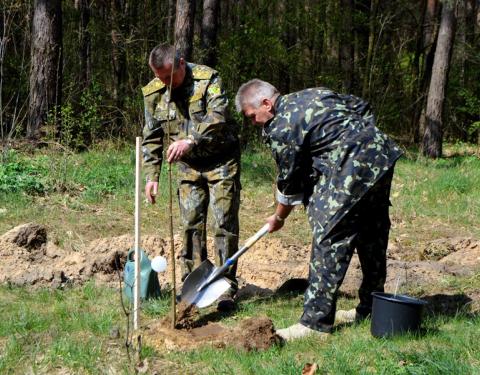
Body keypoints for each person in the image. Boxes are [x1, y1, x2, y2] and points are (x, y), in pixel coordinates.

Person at [235, 79, 403, 341]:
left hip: (350, 167)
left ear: (266, 103)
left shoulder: (281, 125)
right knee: (372, 230)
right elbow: (362, 106)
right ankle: (371, 308)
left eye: (252, 116)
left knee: (329, 237)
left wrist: (279, 216)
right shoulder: (315, 93)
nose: (254, 123)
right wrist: (361, 140)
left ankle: (314, 324)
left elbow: (290, 180)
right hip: (381, 156)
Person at [142, 44, 241, 310]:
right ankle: (192, 284)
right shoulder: (154, 93)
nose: (164, 83)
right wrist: (152, 176)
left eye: (168, 77)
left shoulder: (209, 80)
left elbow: (219, 116)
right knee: (190, 224)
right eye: (159, 77)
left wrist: (190, 139)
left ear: (182, 64)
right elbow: (151, 137)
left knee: (223, 222)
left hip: (221, 160)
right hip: (188, 166)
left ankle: (224, 287)